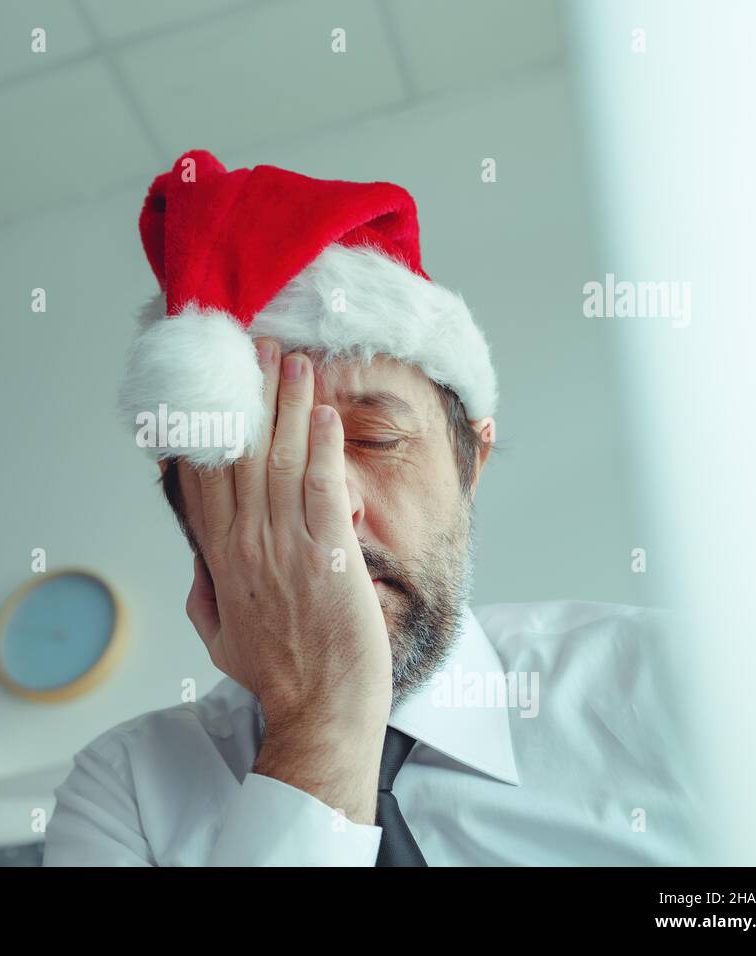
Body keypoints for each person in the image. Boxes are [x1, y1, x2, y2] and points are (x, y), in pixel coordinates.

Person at [42, 150, 702, 866]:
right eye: (265, 464)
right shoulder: (124, 796)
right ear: (194, 524)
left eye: (376, 438)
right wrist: (322, 723)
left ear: (470, 464)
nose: (332, 507)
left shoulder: (681, 686)